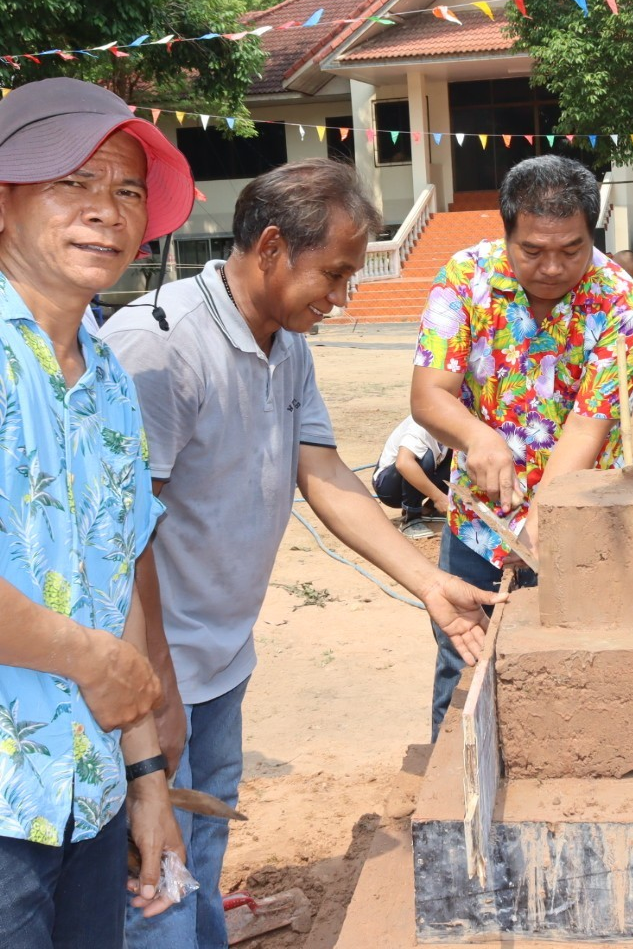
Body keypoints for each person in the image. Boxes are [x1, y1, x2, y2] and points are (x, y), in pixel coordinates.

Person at [101, 158, 508, 949]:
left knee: (201, 866)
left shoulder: (288, 348)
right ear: (273, 247)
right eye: (336, 272)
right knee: (152, 886)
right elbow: (123, 530)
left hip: (219, 660)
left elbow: (322, 471)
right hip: (149, 674)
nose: (344, 295)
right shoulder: (160, 350)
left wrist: (429, 581)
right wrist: (156, 690)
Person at [0, 77, 193, 946]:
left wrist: (147, 780)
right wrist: (88, 656)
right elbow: (104, 649)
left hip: (90, 798)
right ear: (4, 205)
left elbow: (119, 568)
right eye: (71, 183)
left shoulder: (110, 376)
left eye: (124, 191)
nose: (105, 212)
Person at [411, 155, 633, 739]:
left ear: (594, 231)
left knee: (575, 662)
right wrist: (476, 435)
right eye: (532, 250)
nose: (551, 267)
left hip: (578, 517)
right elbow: (429, 394)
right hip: (477, 520)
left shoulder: (621, 304)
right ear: (507, 230)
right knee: (463, 657)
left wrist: (542, 515)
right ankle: (452, 777)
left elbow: (587, 427)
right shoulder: (464, 279)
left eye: (571, 250)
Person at [373, 415, 451, 539]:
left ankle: (428, 510)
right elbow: (403, 463)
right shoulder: (420, 424)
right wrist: (439, 497)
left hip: (421, 478)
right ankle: (411, 518)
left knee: (461, 454)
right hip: (389, 487)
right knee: (425, 457)